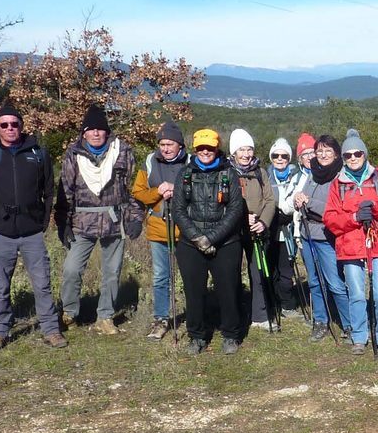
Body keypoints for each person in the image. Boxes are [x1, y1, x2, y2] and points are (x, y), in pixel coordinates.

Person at [0, 102, 67, 350]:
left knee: (42, 283)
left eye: (15, 124)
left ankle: (51, 330)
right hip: (0, 232)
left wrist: (44, 222)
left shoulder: (38, 154)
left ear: (22, 126)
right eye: (5, 124)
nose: (10, 128)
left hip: (32, 231)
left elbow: (48, 190)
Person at [57, 105, 143, 335]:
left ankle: (104, 317)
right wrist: (62, 223)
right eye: (91, 129)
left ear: (107, 132)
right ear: (84, 133)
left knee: (112, 272)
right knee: (72, 270)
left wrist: (135, 218)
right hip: (81, 223)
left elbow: (132, 188)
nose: (96, 133)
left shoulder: (122, 151)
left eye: (100, 129)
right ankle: (69, 312)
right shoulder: (73, 154)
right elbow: (65, 189)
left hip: (114, 221)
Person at [324, 129, 378, 356]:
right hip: (350, 248)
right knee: (356, 294)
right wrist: (354, 218)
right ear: (343, 158)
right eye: (348, 155)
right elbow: (330, 219)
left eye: (357, 153)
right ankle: (359, 336)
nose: (353, 158)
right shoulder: (337, 184)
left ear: (365, 154)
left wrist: (375, 207)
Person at [171, 128, 248, 355]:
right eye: (202, 147)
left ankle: (231, 334)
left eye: (210, 148)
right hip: (190, 244)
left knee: (228, 290)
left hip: (226, 243)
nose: (206, 152)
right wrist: (196, 237)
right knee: (194, 292)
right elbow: (178, 209)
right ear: (195, 149)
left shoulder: (229, 174)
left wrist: (211, 238)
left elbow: (235, 210)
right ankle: (196, 335)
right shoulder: (185, 174)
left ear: (217, 149)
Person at [131, 120, 188, 340]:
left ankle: (195, 317)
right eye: (162, 144)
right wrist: (158, 191)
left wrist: (178, 190)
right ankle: (161, 319)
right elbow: (138, 193)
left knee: (189, 276)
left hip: (185, 230)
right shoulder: (149, 161)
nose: (165, 148)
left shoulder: (191, 162)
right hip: (158, 228)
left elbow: (199, 191)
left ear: (180, 145)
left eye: (170, 144)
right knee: (161, 277)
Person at [295, 134, 352, 342]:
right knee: (314, 281)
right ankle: (320, 321)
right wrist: (298, 199)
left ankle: (349, 324)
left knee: (335, 282)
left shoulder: (342, 177)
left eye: (328, 151)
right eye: (319, 151)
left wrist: (308, 203)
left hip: (327, 236)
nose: (323, 155)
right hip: (308, 233)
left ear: (336, 154)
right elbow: (303, 198)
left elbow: (337, 210)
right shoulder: (312, 174)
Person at [228, 128, 276, 330]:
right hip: (233, 231)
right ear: (234, 152)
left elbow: (270, 200)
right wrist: (240, 218)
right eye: (242, 150)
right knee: (231, 274)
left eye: (249, 149)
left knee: (257, 272)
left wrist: (263, 222)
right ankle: (236, 315)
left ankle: (260, 316)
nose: (246, 154)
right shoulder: (226, 172)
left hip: (258, 230)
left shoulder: (260, 172)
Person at [267, 137, 308, 320]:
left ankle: (287, 305)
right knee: (270, 268)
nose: (280, 159)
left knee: (286, 270)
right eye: (276, 155)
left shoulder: (297, 176)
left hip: (289, 230)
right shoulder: (265, 176)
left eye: (284, 155)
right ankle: (273, 301)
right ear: (271, 157)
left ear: (289, 157)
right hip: (268, 229)